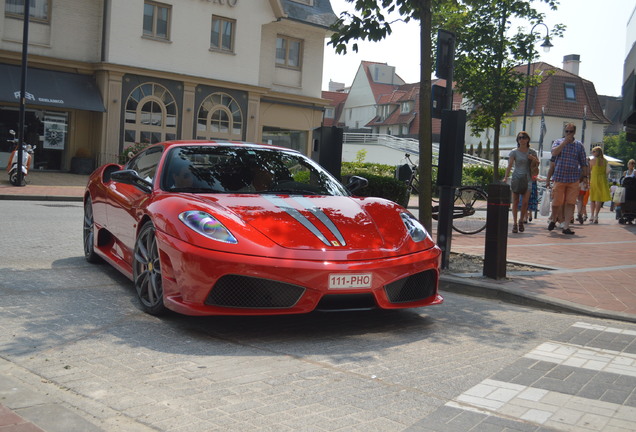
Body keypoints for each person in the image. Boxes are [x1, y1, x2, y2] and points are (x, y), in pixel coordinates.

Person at [549, 123, 589, 235]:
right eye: (566, 131)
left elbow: (583, 163)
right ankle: (553, 219)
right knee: (556, 201)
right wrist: (564, 143)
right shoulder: (558, 142)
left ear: (574, 132)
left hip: (573, 178)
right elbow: (554, 152)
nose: (568, 133)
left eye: (570, 131)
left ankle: (566, 226)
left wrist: (585, 177)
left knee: (570, 202)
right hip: (559, 177)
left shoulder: (579, 145)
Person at [504, 131, 539, 233]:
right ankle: (514, 223)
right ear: (517, 140)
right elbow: (510, 165)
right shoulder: (514, 152)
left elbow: (537, 164)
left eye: (523, 137)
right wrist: (506, 177)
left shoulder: (532, 152)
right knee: (515, 202)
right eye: (519, 138)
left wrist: (533, 159)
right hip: (516, 178)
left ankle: (521, 221)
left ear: (527, 139)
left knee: (524, 203)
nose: (521, 140)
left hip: (528, 179)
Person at [588, 146, 611, 223]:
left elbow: (589, 171)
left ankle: (592, 215)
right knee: (599, 199)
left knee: (593, 199)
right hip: (603, 180)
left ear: (598, 152)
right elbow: (607, 171)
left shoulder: (592, 160)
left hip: (594, 180)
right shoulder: (605, 161)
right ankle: (596, 216)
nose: (592, 152)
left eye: (594, 151)